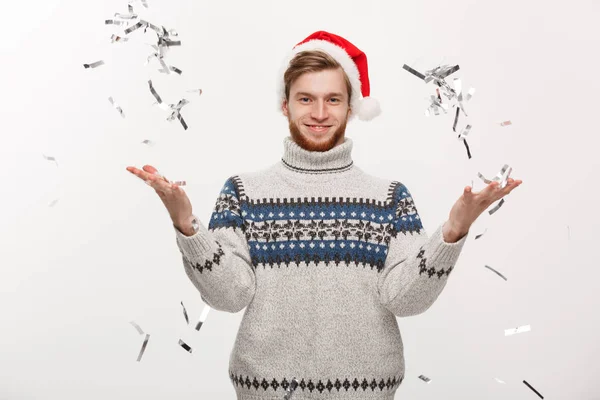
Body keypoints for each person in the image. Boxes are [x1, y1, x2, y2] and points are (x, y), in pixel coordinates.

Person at [127, 31, 522, 400]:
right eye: (305, 98)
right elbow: (230, 296)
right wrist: (187, 226)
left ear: (351, 107)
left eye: (332, 99)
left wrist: (453, 231)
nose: (319, 112)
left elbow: (405, 300)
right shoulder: (243, 193)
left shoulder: (389, 198)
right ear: (285, 105)